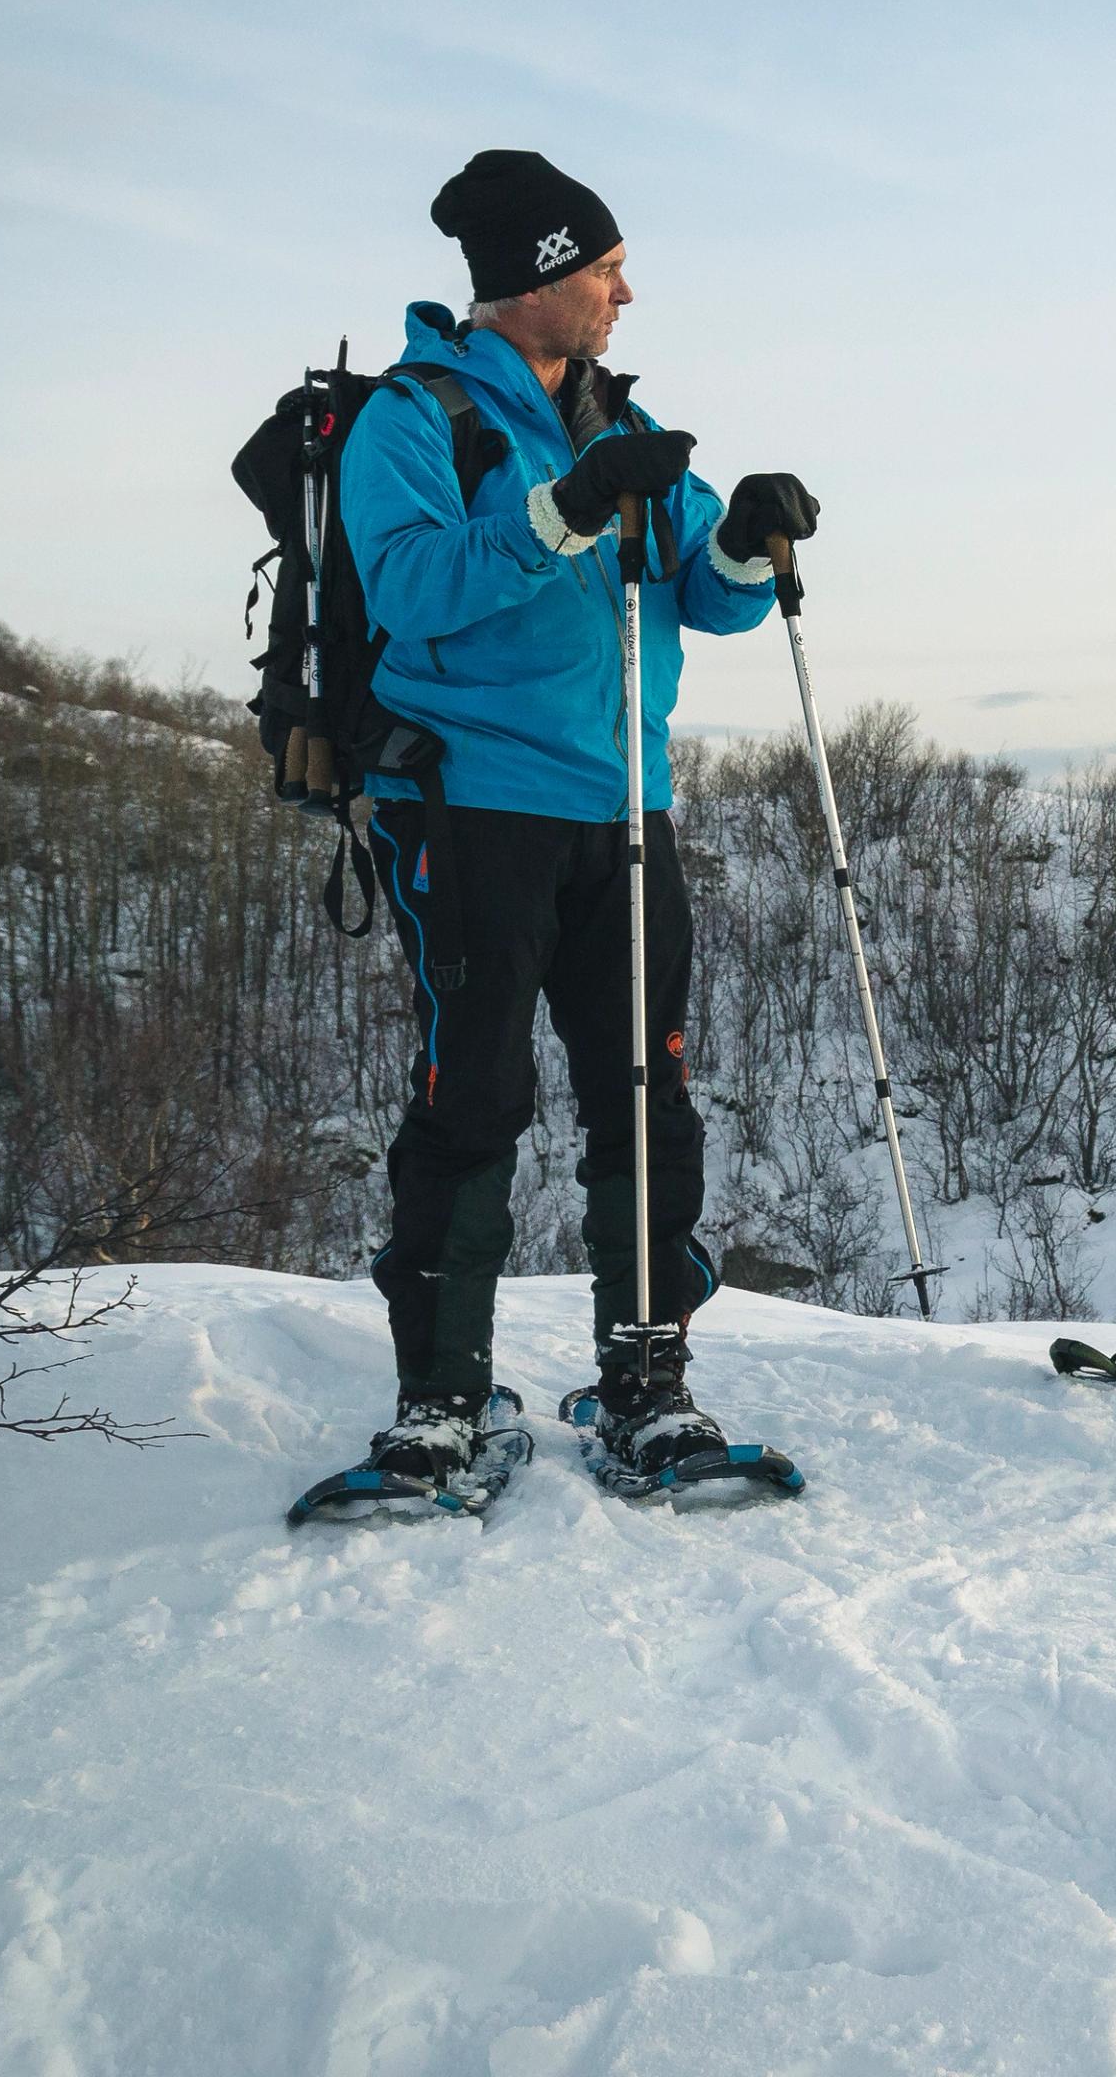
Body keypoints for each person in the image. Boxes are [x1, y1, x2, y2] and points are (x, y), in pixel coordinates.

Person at [340, 149, 819, 1484]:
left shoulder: (623, 417)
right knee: (471, 1097)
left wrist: (749, 533)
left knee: (646, 1095)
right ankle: (441, 1393)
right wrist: (567, 507)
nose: (625, 290)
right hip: (467, 805)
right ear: (538, 277)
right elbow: (415, 589)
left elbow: (715, 597)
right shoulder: (417, 417)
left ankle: (647, 1380)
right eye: (604, 267)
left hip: (625, 812)